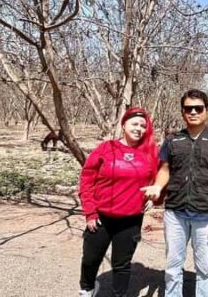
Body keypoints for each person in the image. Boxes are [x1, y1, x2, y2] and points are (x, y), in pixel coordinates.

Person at [142, 89, 208, 297]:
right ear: (183, 112)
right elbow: (164, 169)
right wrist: (157, 186)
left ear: (206, 111)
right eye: (188, 108)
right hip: (175, 211)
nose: (193, 112)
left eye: (198, 108)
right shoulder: (173, 140)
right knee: (173, 266)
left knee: (204, 267)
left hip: (206, 212)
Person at [78, 108, 158, 297]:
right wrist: (90, 212)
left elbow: (157, 181)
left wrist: (155, 199)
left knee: (121, 264)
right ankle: (87, 289)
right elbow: (87, 179)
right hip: (101, 217)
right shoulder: (107, 148)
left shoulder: (149, 154)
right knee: (90, 259)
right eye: (134, 124)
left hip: (130, 220)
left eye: (142, 126)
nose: (138, 128)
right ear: (123, 125)